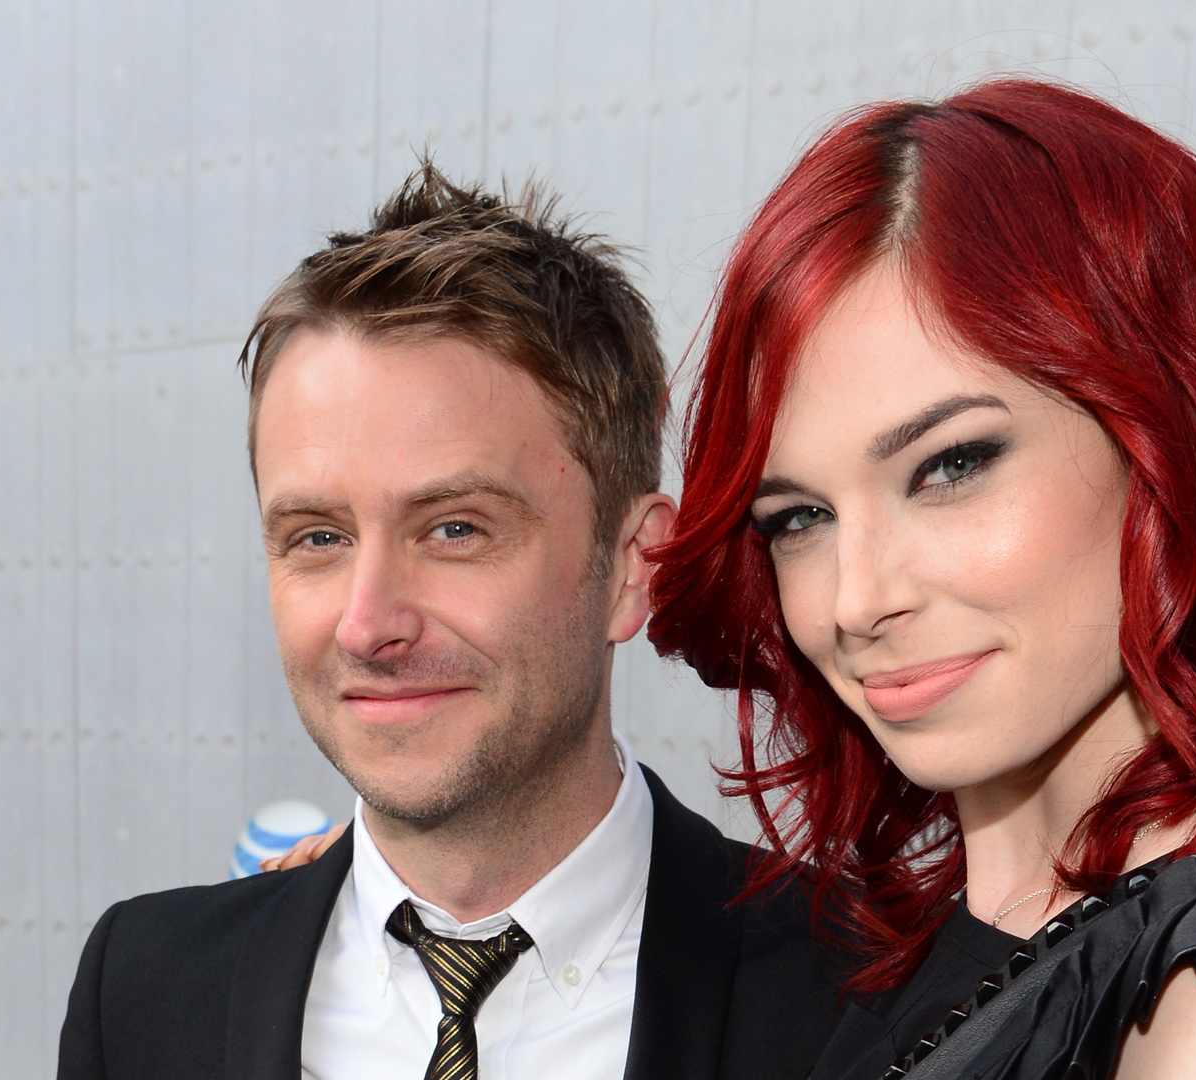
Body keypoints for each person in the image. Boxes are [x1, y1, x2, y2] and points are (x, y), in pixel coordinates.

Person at [645, 80, 1196, 1080]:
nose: (856, 600)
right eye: (799, 517)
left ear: (1165, 437)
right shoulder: (990, 924)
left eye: (952, 465)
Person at [55, 164, 847, 1080]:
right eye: (318, 536)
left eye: (456, 529)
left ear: (634, 566)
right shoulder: (146, 990)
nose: (367, 624)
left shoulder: (860, 999)